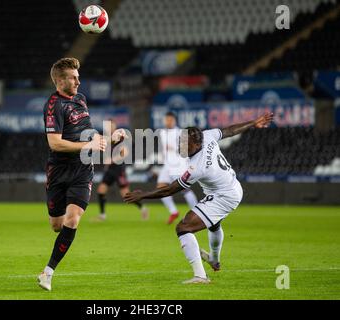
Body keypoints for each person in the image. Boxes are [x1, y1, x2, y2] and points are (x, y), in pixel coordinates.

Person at [124, 113, 274, 284]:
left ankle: (200, 276)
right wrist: (254, 122)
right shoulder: (207, 136)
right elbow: (230, 131)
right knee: (214, 224)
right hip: (232, 187)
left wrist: (143, 194)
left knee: (183, 227)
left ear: (196, 144)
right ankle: (214, 260)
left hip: (224, 196)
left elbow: (171, 189)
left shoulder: (197, 167)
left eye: (184, 144)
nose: (180, 146)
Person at [38, 57, 108, 291]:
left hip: (82, 170)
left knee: (73, 219)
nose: (79, 81)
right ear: (60, 81)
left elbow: (85, 131)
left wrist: (104, 139)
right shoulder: (53, 105)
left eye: (78, 76)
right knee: (57, 225)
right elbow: (55, 143)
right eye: (73, 77)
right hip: (58, 171)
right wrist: (88, 146)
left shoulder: (80, 99)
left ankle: (47, 272)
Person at [96, 119, 149, 221]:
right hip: (110, 170)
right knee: (101, 190)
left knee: (125, 195)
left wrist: (111, 160)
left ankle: (143, 208)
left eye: (110, 125)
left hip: (119, 169)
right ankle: (102, 215)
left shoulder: (120, 137)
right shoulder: (107, 138)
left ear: (114, 126)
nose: (108, 127)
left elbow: (124, 153)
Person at [157, 112, 198, 224]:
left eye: (170, 120)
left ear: (174, 120)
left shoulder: (180, 133)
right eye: (167, 120)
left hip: (179, 164)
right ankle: (173, 212)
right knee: (161, 187)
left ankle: (197, 213)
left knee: (184, 189)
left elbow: (186, 150)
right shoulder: (162, 133)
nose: (168, 122)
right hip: (167, 165)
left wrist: (173, 148)